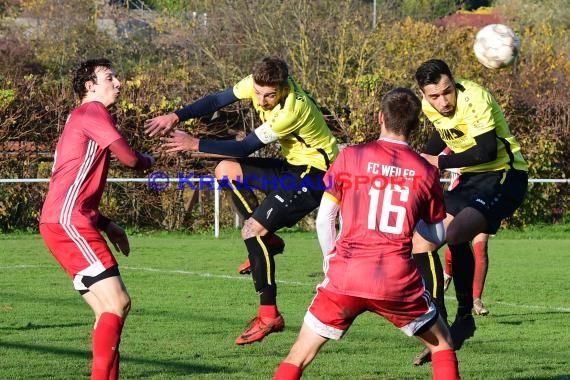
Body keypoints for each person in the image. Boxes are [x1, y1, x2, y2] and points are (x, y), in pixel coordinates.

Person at [144, 56, 339, 345]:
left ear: (283, 88)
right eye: (258, 93)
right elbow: (216, 99)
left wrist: (193, 143)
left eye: (269, 95)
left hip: (315, 175)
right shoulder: (258, 83)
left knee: (251, 231)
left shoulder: (291, 110)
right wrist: (175, 116)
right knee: (225, 170)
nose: (261, 100)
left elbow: (244, 147)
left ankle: (269, 314)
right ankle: (267, 240)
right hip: (294, 167)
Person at [273, 87, 460, 380]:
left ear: (379, 118)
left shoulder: (349, 157)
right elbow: (434, 233)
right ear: (417, 124)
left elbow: (325, 219)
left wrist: (329, 260)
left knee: (299, 354)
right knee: (443, 345)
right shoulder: (425, 172)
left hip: (345, 276)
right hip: (396, 279)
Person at [39, 58, 155, 379]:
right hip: (69, 222)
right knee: (118, 303)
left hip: (62, 220)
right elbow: (130, 159)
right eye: (109, 77)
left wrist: (107, 224)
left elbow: (73, 184)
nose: (118, 83)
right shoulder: (92, 112)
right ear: (90, 86)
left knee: (108, 310)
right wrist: (150, 159)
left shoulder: (78, 117)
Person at [410, 58, 528, 365]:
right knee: (419, 243)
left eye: (447, 92)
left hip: (505, 175)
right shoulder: (429, 106)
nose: (443, 101)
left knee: (457, 232)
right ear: (424, 94)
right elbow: (441, 134)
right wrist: (423, 157)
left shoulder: (475, 97)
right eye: (434, 96)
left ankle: (465, 316)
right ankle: (441, 323)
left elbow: (487, 150)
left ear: (454, 81)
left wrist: (439, 163)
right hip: (471, 180)